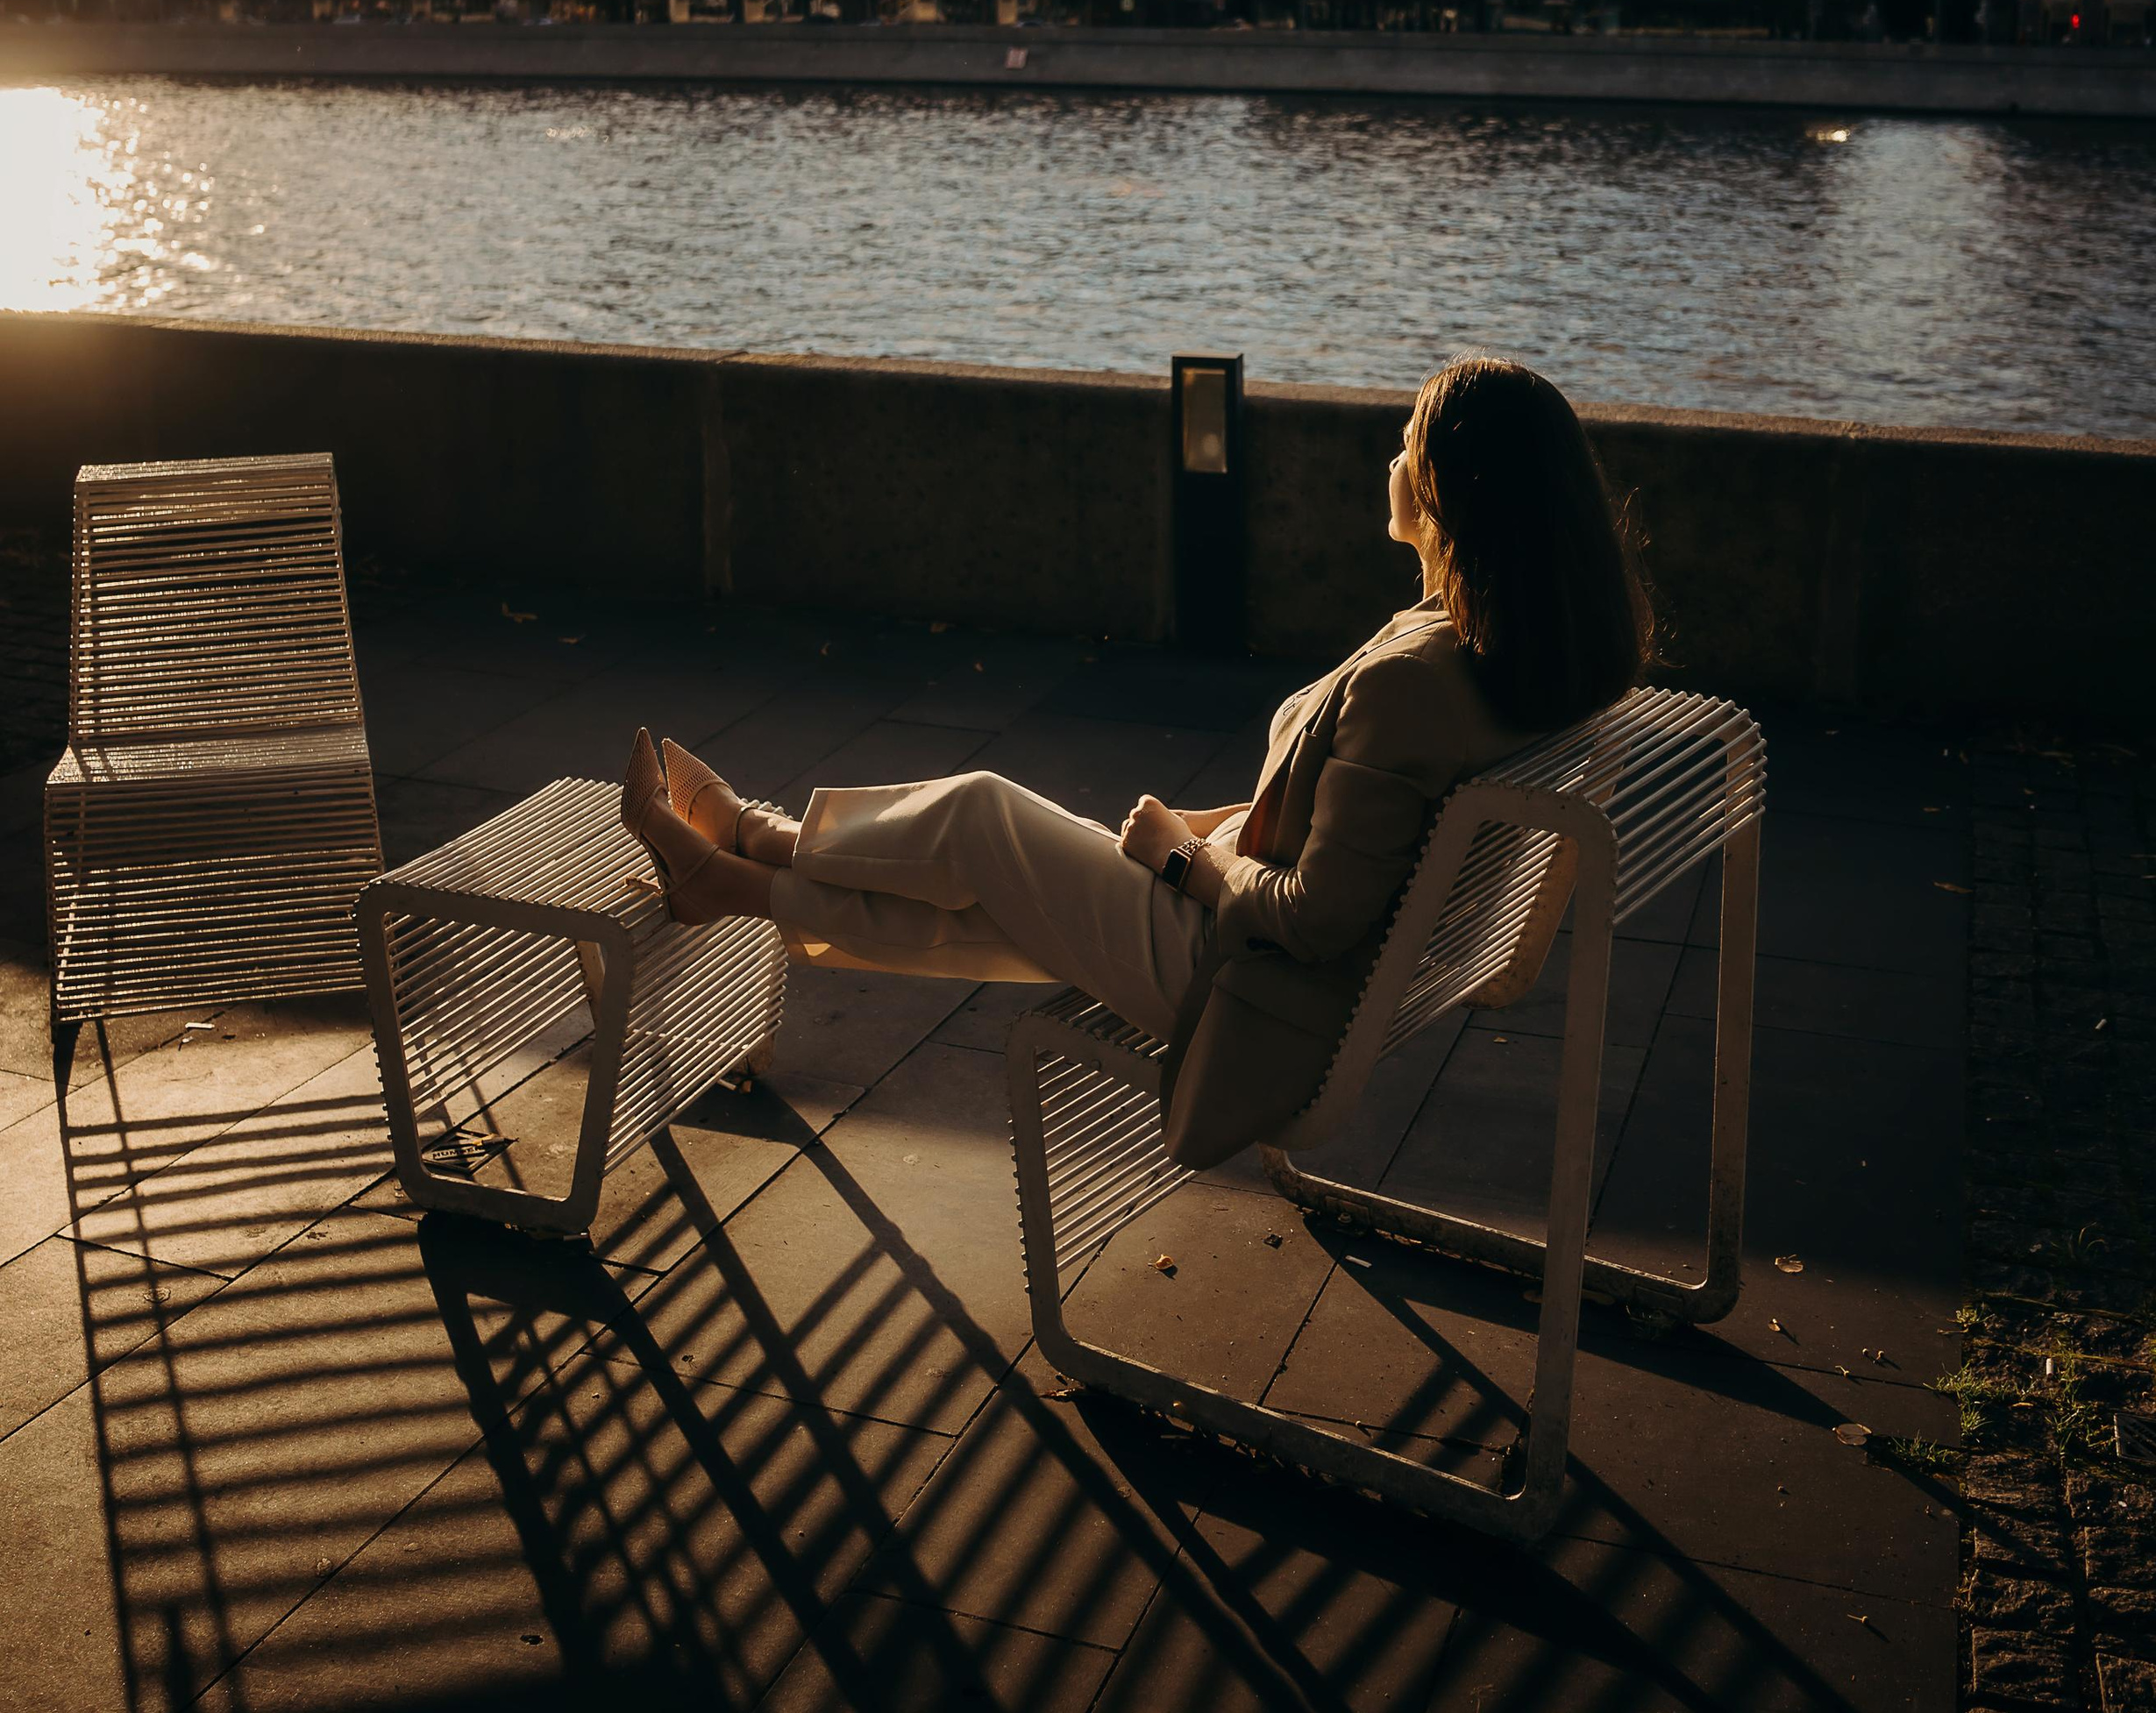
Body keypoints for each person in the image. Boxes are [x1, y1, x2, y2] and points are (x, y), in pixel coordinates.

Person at [620, 357, 1650, 1170]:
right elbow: (1356, 825)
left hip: (1250, 980)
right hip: (1305, 961)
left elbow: (1315, 914)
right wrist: (1200, 834)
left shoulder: (1418, 680)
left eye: (1403, 446)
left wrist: (1181, 864)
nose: (1387, 465)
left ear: (1443, 491)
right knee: (978, 888)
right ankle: (733, 879)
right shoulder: (1514, 651)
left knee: (979, 817)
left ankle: (755, 840)